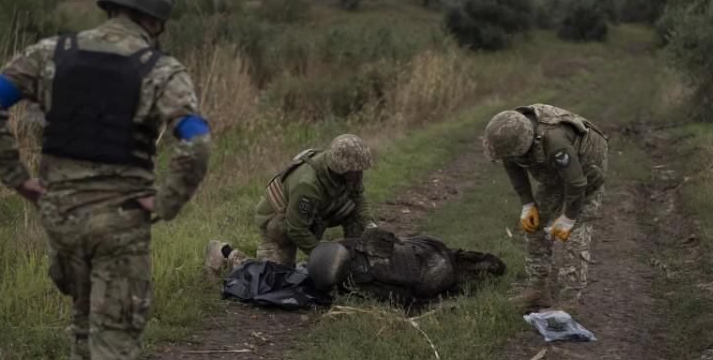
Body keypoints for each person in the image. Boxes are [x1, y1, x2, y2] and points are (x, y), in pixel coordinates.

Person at [0, 0, 210, 360]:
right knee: (113, 347)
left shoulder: (49, 53)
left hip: (61, 220)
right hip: (120, 224)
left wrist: (17, 177)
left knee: (83, 323)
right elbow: (196, 141)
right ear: (156, 17)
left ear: (108, 2)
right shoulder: (161, 70)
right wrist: (166, 202)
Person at [482, 104, 608, 309]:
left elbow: (576, 183)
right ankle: (538, 290)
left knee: (576, 232)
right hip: (555, 173)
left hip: (586, 171)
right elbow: (512, 165)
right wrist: (527, 203)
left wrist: (568, 217)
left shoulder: (555, 140)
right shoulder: (511, 136)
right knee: (534, 224)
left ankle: (569, 302)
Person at [207, 134, 375, 271]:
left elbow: (358, 198)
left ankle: (356, 264)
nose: (359, 174)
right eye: (355, 171)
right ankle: (223, 252)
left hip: (308, 215)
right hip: (279, 222)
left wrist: (369, 226)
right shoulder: (308, 184)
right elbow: (295, 228)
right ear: (339, 168)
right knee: (272, 277)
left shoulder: (350, 173)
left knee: (355, 217)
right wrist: (325, 257)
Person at [217, 227, 506, 305]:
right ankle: (478, 266)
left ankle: (475, 269)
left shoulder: (365, 282)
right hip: (433, 250)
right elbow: (390, 239)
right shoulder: (357, 246)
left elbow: (406, 299)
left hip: (435, 273)